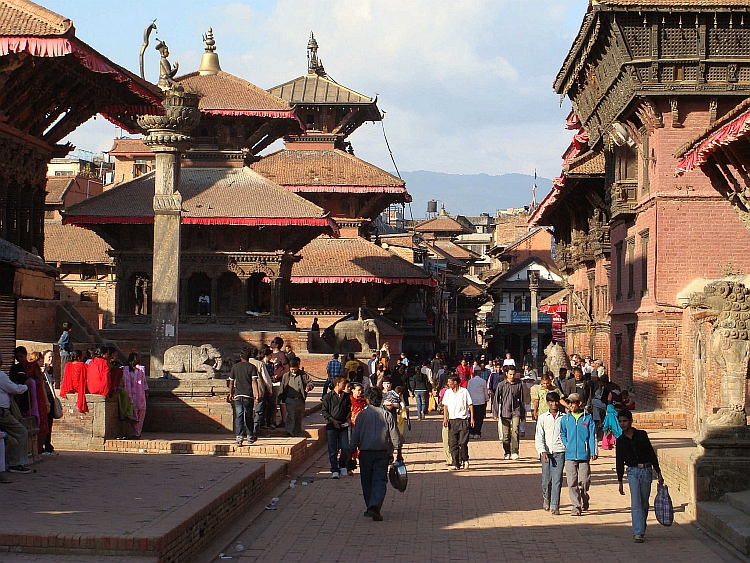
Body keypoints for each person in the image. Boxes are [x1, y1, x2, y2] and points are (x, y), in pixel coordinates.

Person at [349, 386, 402, 521]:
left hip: (365, 453)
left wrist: (350, 453)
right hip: (382, 453)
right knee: (379, 480)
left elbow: (355, 436)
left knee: (366, 481)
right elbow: (395, 437)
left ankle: (370, 506)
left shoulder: (361, 415)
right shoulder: (387, 415)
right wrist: (398, 452)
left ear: (367, 400)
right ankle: (375, 505)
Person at [617, 409, 663, 543]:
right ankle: (638, 532)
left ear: (631, 421)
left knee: (643, 502)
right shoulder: (620, 441)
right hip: (632, 472)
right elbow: (619, 461)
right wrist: (620, 480)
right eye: (620, 422)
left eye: (625, 421)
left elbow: (650, 452)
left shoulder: (642, 435)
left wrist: (658, 471)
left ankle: (641, 525)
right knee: (636, 502)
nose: (623, 424)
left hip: (646, 470)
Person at [560, 393, 598, 516]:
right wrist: (567, 444)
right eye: (569, 403)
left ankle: (584, 496)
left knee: (584, 481)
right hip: (570, 455)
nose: (570, 405)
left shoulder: (588, 418)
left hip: (584, 454)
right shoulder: (565, 419)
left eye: (573, 402)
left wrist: (593, 451)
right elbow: (562, 433)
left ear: (579, 403)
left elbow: (592, 435)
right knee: (572, 482)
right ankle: (576, 506)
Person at [535, 391, 565, 515]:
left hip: (559, 451)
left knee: (557, 479)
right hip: (546, 453)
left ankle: (555, 505)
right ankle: (546, 497)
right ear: (547, 403)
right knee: (546, 479)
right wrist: (542, 451)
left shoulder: (563, 418)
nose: (554, 404)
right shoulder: (543, 418)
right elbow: (539, 436)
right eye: (551, 402)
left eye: (556, 401)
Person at [0, 352, 30, 474]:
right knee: (21, 432)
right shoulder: (1, 375)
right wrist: (26, 387)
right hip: (2, 412)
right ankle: (15, 463)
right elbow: (14, 389)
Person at [321, 375, 352, 479]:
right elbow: (325, 412)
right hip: (332, 425)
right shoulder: (328, 397)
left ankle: (342, 464)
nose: (345, 385)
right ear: (338, 383)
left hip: (343, 425)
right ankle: (334, 469)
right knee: (333, 449)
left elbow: (349, 409)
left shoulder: (346, 396)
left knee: (345, 447)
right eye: (343, 382)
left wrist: (347, 419)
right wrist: (333, 421)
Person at [229, 348, 260, 446]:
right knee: (248, 416)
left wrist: (230, 393)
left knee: (239, 416)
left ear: (240, 356)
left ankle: (239, 438)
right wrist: (257, 395)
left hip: (238, 395)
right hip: (248, 395)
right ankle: (250, 436)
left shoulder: (235, 367)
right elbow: (254, 382)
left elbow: (231, 382)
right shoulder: (252, 367)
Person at [442, 374, 474, 470]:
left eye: (449, 382)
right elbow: (445, 406)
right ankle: (456, 463)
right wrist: (444, 418)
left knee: (463, 442)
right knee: (453, 443)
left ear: (455, 382)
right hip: (452, 420)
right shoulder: (448, 392)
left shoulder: (464, 392)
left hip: (463, 420)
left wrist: (472, 418)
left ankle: (465, 459)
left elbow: (470, 405)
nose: (448, 384)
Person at [495, 366, 525, 460]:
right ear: (506, 374)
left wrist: (523, 414)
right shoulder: (501, 385)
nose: (512, 376)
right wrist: (495, 413)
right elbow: (496, 399)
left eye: (514, 374)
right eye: (510, 374)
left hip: (516, 411)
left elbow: (522, 400)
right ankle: (507, 452)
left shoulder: (518, 385)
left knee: (515, 430)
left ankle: (515, 451)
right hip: (505, 412)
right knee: (506, 434)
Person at [280, 358, 314, 437]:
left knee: (299, 417)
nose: (293, 371)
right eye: (292, 369)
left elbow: (310, 382)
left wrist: (308, 387)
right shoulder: (286, 376)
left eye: (295, 369)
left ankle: (297, 432)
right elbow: (283, 387)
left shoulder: (303, 375)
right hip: (290, 399)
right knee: (290, 415)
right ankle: (289, 431)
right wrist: (280, 397)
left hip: (300, 399)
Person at [122, 353, 149, 438]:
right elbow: (144, 383)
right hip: (139, 395)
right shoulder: (140, 370)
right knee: (140, 414)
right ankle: (137, 432)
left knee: (132, 414)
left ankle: (134, 432)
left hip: (129, 395)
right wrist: (146, 392)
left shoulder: (125, 370)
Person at [270, 337, 289, 427]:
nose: (271, 343)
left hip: (278, 381)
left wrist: (279, 375)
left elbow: (287, 368)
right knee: (272, 402)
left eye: (273, 342)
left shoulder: (281, 355)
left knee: (281, 401)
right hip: (269, 381)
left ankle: (284, 420)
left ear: (277, 345)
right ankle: (273, 420)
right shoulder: (269, 354)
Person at [467, 369, 488, 439]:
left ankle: (471, 432)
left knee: (472, 417)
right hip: (480, 401)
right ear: (480, 374)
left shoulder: (470, 381)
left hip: (472, 401)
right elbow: (485, 391)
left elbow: (468, 390)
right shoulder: (483, 381)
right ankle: (477, 432)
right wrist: (486, 399)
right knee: (479, 418)